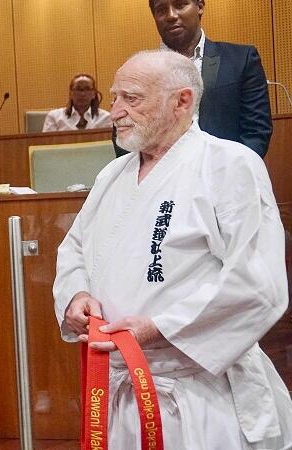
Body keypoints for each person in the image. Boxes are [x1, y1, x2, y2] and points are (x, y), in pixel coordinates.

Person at [54, 50, 291, 449]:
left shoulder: (230, 165)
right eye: (114, 98)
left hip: (200, 392)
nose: (115, 112)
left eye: (132, 99)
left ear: (182, 101)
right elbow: (75, 245)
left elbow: (258, 283)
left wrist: (159, 325)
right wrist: (76, 295)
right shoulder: (114, 173)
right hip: (121, 384)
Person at [116, 0, 272, 158]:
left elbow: (256, 131)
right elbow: (124, 133)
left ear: (200, 6)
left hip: (224, 173)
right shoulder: (137, 72)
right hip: (158, 176)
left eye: (180, 5)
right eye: (161, 10)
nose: (171, 15)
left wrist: (230, 172)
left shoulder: (240, 60)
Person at [42, 74, 111, 132]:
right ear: (70, 93)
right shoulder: (54, 117)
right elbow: (47, 144)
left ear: (94, 94)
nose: (82, 94)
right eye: (78, 89)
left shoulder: (106, 118)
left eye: (87, 89)